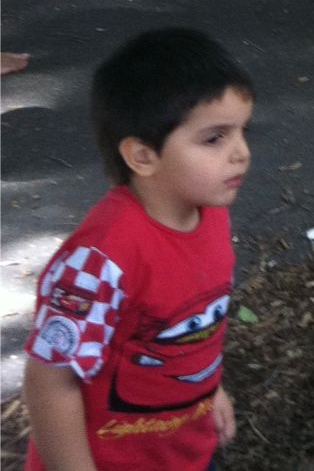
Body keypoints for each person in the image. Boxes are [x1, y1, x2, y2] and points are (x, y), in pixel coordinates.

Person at [22, 28, 252, 471]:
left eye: (243, 131)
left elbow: (192, 329)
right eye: (214, 138)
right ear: (143, 157)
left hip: (184, 452)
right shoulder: (100, 262)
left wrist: (209, 391)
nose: (241, 152)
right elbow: (51, 382)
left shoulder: (210, 212)